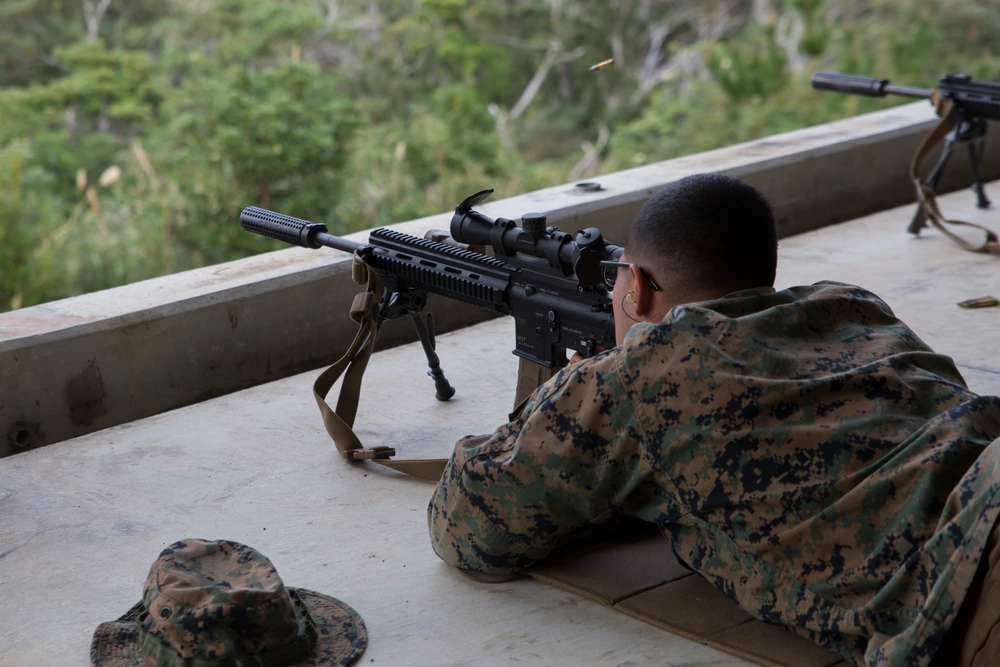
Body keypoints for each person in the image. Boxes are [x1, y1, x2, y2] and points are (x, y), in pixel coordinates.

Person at [427, 173, 1000, 667]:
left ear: (639, 290)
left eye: (619, 277)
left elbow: (467, 528)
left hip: (972, 569)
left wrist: (564, 395)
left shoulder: (640, 375)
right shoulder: (853, 305)